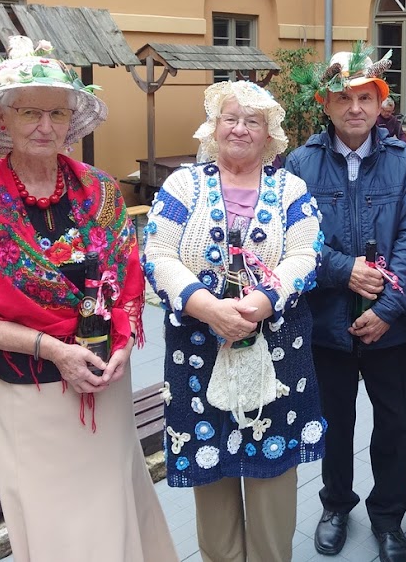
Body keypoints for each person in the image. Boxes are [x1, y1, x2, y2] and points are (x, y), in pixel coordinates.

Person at [0, 36, 175, 562]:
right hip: (28, 391)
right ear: (3, 118)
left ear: (71, 121)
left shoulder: (100, 190)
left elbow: (127, 288)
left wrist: (123, 346)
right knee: (53, 517)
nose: (45, 126)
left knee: (113, 498)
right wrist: (55, 350)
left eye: (57, 113)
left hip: (104, 381)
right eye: (30, 112)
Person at [143, 79, 324, 562]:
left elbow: (306, 253)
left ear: (269, 134)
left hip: (277, 352)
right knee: (212, 469)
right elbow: (158, 253)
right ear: (214, 126)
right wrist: (207, 307)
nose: (240, 129)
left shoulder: (291, 188)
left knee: (271, 480)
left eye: (253, 121)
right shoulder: (183, 185)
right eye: (231, 118)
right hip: (198, 353)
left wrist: (264, 300)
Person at [286, 43, 406, 562]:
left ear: (380, 102)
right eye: (343, 98)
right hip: (326, 323)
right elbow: (294, 239)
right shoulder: (300, 163)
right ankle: (336, 505)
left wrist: (388, 309)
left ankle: (388, 516)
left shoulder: (402, 161)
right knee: (334, 422)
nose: (355, 108)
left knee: (394, 424)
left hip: (390, 327)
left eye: (365, 97)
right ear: (325, 103)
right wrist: (345, 271)